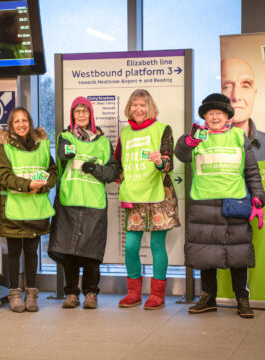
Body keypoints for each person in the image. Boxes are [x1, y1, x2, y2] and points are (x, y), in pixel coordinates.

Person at [174, 93, 265, 318]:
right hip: (203, 203)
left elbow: (251, 171)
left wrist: (257, 198)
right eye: (210, 113)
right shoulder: (196, 136)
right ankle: (208, 298)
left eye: (219, 113)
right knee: (206, 254)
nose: (214, 117)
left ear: (227, 117)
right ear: (204, 116)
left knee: (238, 254)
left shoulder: (238, 136)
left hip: (234, 203)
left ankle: (242, 299)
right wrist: (190, 142)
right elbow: (181, 154)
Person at [48, 97, 119, 309]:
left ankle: (90, 293)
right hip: (69, 201)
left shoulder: (104, 142)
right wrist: (68, 148)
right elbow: (62, 155)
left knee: (91, 253)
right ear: (72, 115)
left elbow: (113, 171)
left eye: (84, 111)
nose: (81, 115)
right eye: (77, 111)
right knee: (69, 252)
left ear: (91, 114)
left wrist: (95, 169)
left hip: (94, 204)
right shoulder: (65, 137)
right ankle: (71, 293)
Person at [115, 89, 180, 310]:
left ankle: (157, 295)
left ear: (149, 107)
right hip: (134, 196)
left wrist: (160, 162)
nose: (138, 109)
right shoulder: (124, 134)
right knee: (131, 247)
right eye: (134, 105)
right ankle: (133, 293)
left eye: (143, 105)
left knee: (156, 244)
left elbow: (169, 163)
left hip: (159, 195)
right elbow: (119, 165)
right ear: (129, 108)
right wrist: (118, 176)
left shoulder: (163, 129)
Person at [0, 107, 58, 312]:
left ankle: (31, 294)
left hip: (35, 208)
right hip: (13, 208)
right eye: (16, 121)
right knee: (13, 253)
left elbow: (53, 171)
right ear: (11, 125)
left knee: (32, 253)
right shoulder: (4, 147)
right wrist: (28, 185)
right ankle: (14, 293)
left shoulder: (41, 145)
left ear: (30, 123)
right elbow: (3, 175)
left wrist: (44, 185)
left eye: (25, 120)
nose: (21, 124)